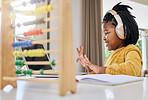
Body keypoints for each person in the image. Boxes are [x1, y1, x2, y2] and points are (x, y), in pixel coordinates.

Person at [76, 2, 143, 77]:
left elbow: (133, 70)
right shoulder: (110, 57)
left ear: (121, 31)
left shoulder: (131, 50)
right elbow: (106, 75)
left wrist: (101, 69)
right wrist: (90, 68)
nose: (104, 38)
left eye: (107, 33)